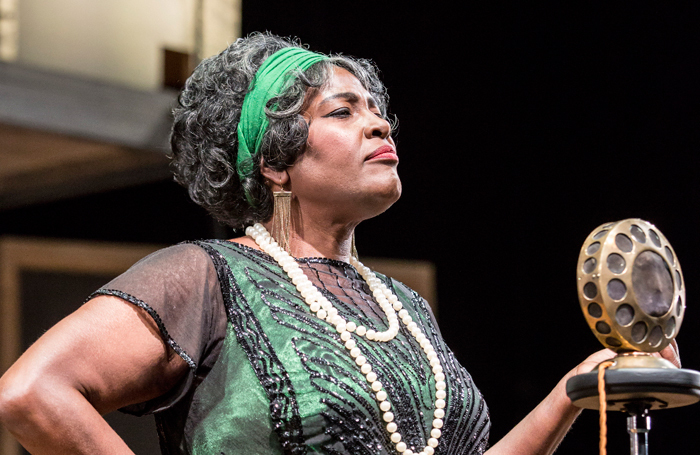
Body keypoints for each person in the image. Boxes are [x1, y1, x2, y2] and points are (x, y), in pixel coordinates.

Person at [0, 32, 681, 455]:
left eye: (376, 109)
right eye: (342, 111)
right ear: (275, 162)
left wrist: (572, 392)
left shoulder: (404, 309)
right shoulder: (208, 276)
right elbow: (31, 392)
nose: (379, 124)